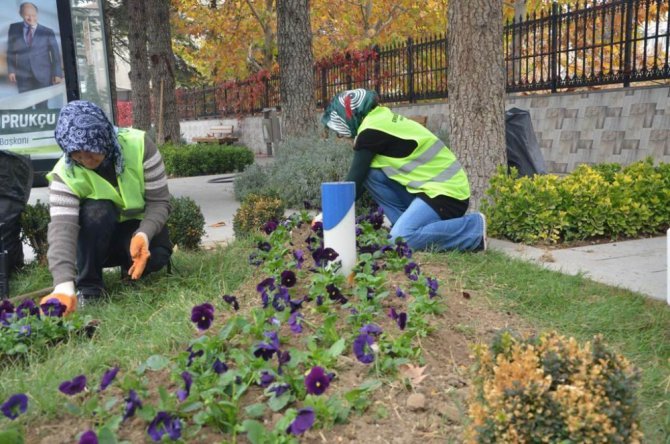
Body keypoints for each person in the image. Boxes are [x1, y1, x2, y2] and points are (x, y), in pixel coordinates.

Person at [40, 100, 172, 314]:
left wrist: (144, 235)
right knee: (97, 209)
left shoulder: (140, 146)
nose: (85, 160)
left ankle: (129, 271)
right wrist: (63, 285)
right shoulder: (64, 175)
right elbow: (62, 229)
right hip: (96, 239)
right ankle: (89, 287)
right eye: (76, 153)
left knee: (157, 256)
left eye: (90, 151)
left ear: (103, 138)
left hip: (136, 230)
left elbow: (159, 202)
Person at [320, 88, 486, 253]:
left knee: (400, 240)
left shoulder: (371, 132)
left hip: (448, 194)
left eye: (340, 132)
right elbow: (360, 181)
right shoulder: (379, 118)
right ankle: (406, 225)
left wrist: (326, 217)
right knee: (371, 174)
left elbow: (352, 184)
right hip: (430, 189)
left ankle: (473, 229)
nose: (342, 137)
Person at [7, 2, 63, 109]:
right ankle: (28, 126)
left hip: (43, 75)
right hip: (22, 74)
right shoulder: (14, 28)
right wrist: (11, 70)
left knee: (42, 105)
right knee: (24, 104)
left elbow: (55, 55)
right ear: (21, 14)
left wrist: (57, 74)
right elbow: (11, 51)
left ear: (37, 14)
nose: (31, 18)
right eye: (27, 15)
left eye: (33, 15)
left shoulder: (47, 32)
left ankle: (42, 126)